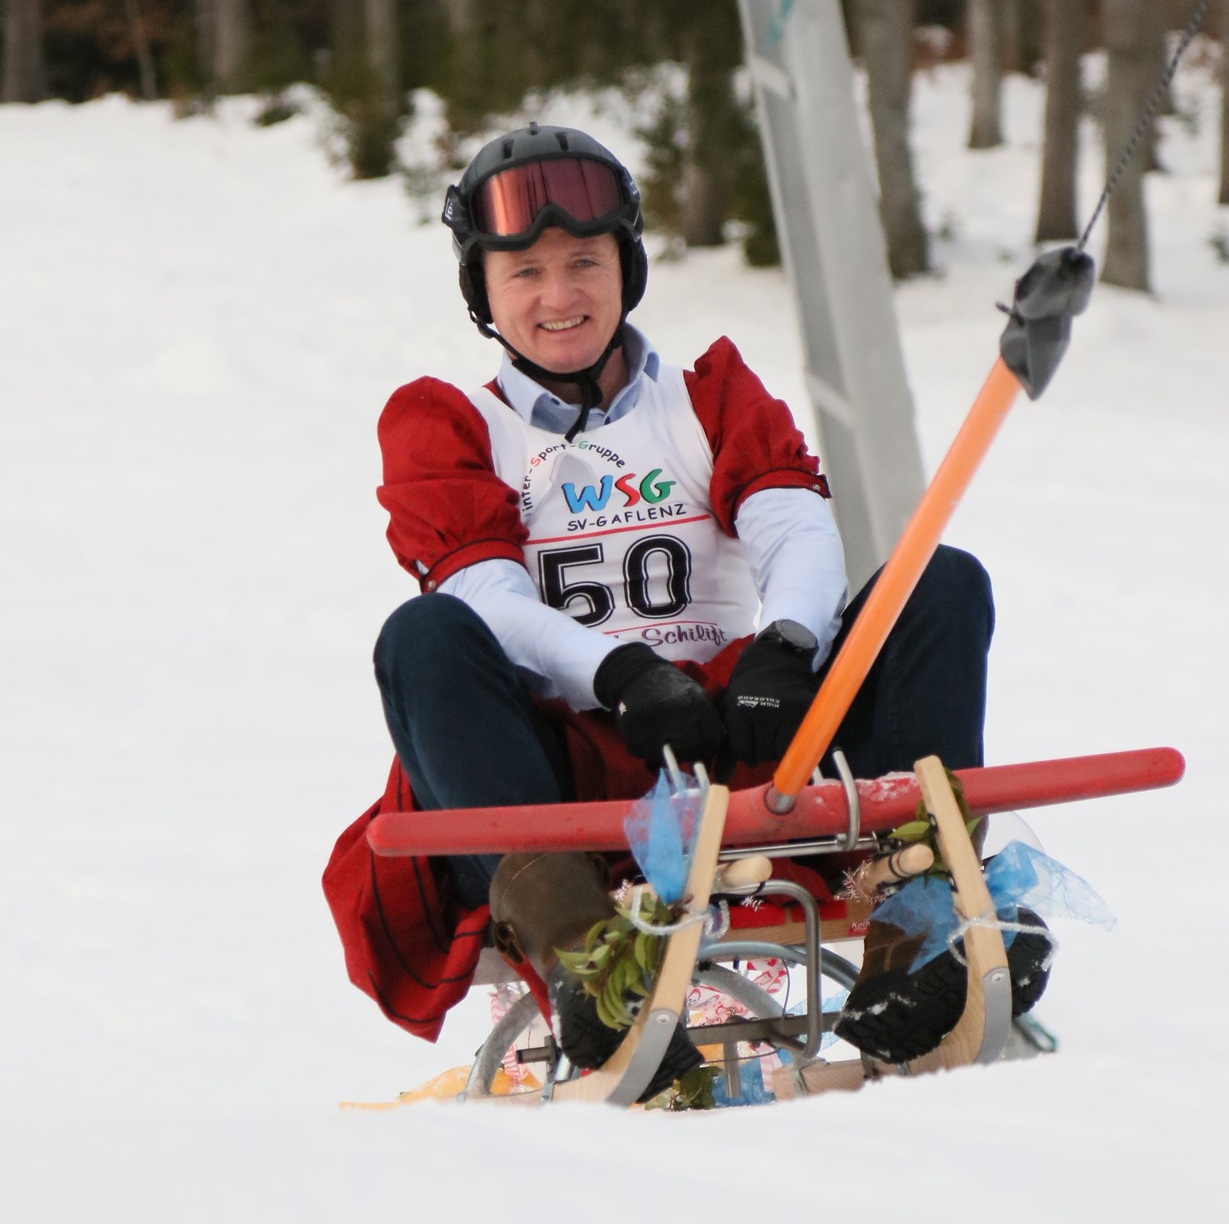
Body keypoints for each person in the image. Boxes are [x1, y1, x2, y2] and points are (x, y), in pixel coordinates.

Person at [323, 123, 1048, 1096]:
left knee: (940, 579)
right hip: (557, 779)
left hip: (743, 740)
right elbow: (481, 596)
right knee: (422, 638)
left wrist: (785, 647)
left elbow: (793, 527)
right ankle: (593, 967)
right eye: (525, 271)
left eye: (584, 261)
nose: (559, 295)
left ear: (626, 267)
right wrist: (619, 673)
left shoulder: (708, 396)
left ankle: (915, 930)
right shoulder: (450, 426)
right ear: (482, 292)